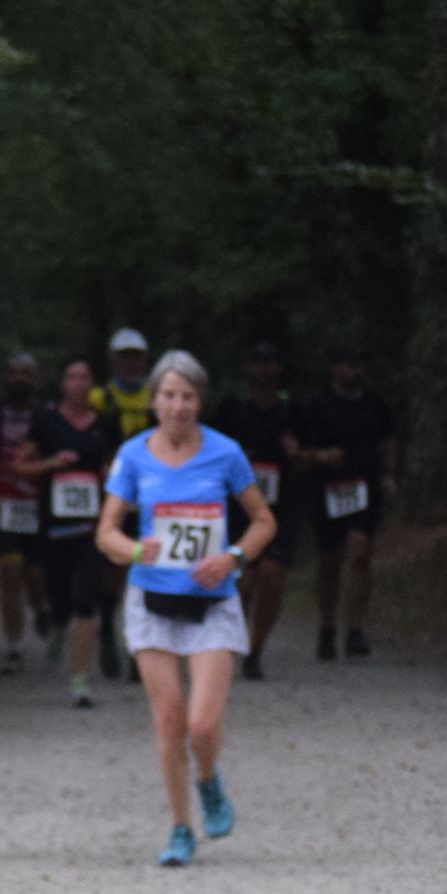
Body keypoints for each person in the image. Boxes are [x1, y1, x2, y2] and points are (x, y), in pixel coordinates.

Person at [94, 350, 275, 867]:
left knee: (202, 726)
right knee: (169, 720)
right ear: (154, 400)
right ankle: (180, 828)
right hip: (151, 601)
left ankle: (208, 780)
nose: (178, 406)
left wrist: (233, 556)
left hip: (212, 602)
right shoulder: (132, 456)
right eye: (169, 395)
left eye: (188, 397)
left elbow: (264, 522)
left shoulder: (225, 453)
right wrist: (135, 550)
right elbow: (105, 532)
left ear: (201, 401)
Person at [19, 356, 118, 708]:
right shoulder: (45, 421)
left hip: (91, 526)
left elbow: (114, 467)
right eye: (71, 376)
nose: (78, 383)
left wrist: (109, 479)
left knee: (86, 600)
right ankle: (59, 626)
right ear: (62, 384)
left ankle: (80, 681)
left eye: (84, 376)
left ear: (93, 384)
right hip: (55, 524)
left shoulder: (105, 424)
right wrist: (51, 463)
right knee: (59, 597)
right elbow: (20, 465)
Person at [293, 342, 398, 660]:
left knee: (360, 553)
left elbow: (389, 438)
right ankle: (327, 628)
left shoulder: (375, 404)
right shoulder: (317, 406)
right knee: (330, 562)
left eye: (360, 365)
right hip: (328, 489)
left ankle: (355, 630)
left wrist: (389, 474)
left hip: (365, 489)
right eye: (350, 364)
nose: (356, 371)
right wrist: (321, 456)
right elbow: (299, 451)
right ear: (335, 369)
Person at [206, 340, 301, 677]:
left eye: (270, 362)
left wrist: (300, 454)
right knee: (243, 581)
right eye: (259, 362)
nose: (265, 370)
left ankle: (256, 650)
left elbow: (312, 455)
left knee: (273, 576)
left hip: (279, 506)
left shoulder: (292, 411)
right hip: (238, 509)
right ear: (249, 367)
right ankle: (237, 637)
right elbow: (208, 450)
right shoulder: (232, 409)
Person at [88, 328, 155, 680]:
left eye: (136, 356)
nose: (131, 363)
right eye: (124, 356)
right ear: (113, 360)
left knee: (145, 565)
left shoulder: (156, 397)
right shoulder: (100, 399)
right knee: (114, 567)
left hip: (150, 493)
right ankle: (107, 630)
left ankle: (139, 648)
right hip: (113, 491)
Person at [0, 353, 49, 673]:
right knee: (10, 572)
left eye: (26, 373)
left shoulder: (46, 415)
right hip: (4, 504)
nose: (20, 379)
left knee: (35, 574)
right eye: (14, 372)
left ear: (36, 379)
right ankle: (14, 646)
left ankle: (41, 605)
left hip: (39, 505)